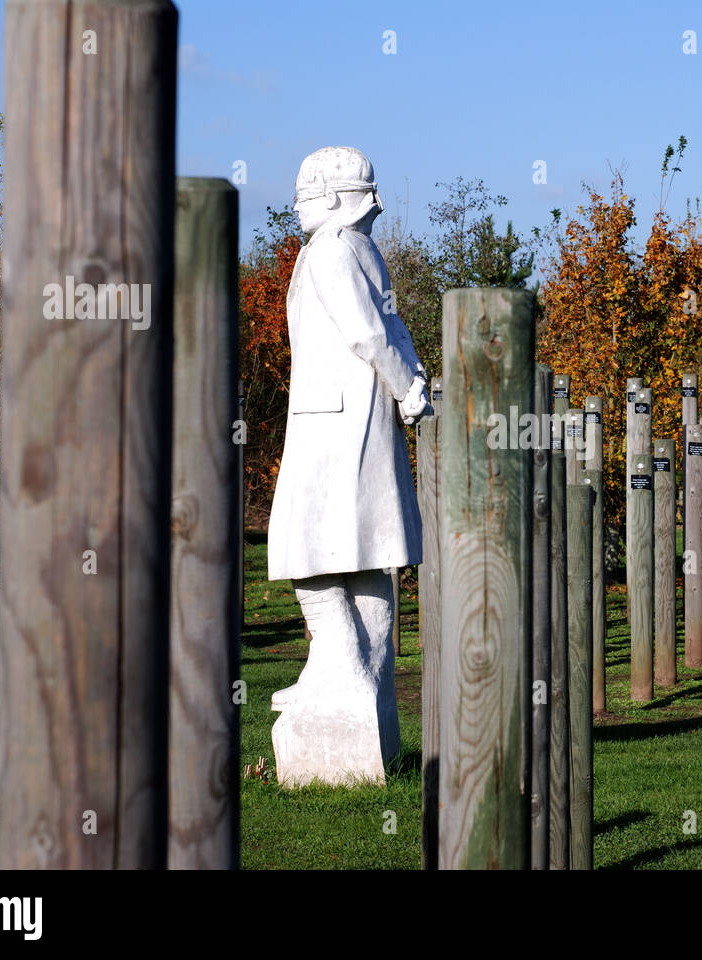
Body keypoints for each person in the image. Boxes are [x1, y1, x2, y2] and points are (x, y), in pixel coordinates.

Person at [266, 146, 432, 786]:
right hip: (345, 414)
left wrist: (406, 384)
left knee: (308, 545)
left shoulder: (335, 249)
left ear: (336, 195)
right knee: (355, 548)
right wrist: (408, 382)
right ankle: (349, 674)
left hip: (335, 422)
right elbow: (389, 330)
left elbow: (370, 331)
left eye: (308, 188)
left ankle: (342, 669)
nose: (298, 199)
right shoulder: (350, 250)